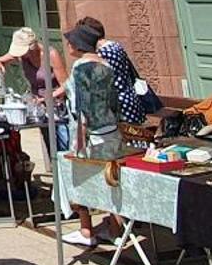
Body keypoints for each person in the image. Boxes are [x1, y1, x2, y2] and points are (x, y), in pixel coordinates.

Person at [63, 24, 123, 246]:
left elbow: (82, 108)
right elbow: (113, 100)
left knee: (83, 180)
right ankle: (116, 229)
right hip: (110, 128)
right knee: (112, 180)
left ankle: (86, 230)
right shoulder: (105, 65)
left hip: (91, 133)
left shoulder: (81, 67)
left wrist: (79, 141)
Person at [75, 16, 151, 125]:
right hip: (130, 99)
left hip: (119, 106)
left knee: (126, 138)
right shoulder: (116, 46)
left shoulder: (102, 53)